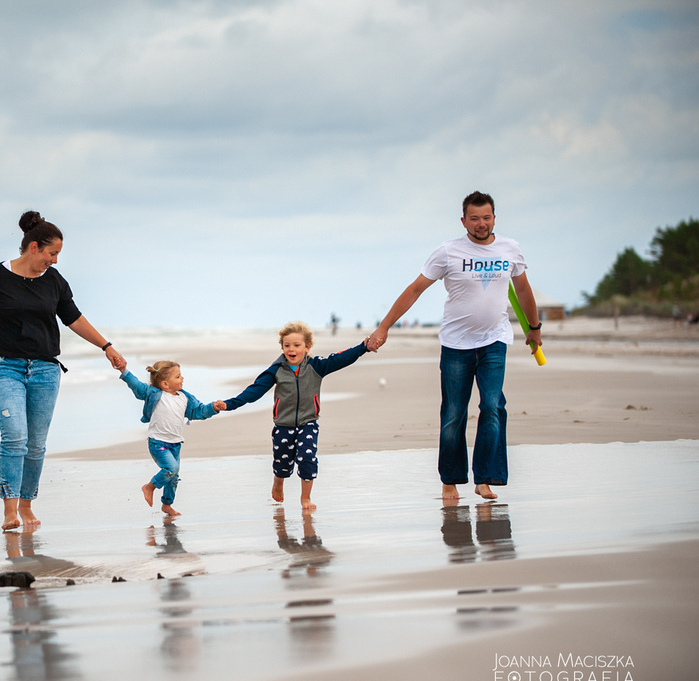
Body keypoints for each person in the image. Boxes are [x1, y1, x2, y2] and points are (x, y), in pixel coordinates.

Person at [0, 211, 127, 531]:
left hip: (44, 370)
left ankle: (27, 505)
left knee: (36, 444)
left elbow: (74, 318)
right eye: (52, 254)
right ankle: (9, 510)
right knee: (15, 437)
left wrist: (106, 347)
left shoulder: (54, 281)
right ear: (34, 247)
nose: (54, 261)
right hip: (1, 368)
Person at [367, 191, 542, 503]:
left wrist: (534, 328)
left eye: (486, 217)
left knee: (491, 406)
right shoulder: (448, 252)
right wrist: (385, 326)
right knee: (453, 414)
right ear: (464, 221)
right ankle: (450, 480)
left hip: (494, 340)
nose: (480, 223)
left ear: (494, 218)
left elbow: (524, 289)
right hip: (456, 344)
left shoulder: (510, 249)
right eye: (474, 218)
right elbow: (415, 288)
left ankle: (485, 478)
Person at [213, 321, 372, 513]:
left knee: (307, 457)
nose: (291, 349)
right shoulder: (276, 370)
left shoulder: (316, 366)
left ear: (307, 347)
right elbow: (254, 391)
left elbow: (342, 358)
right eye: (287, 345)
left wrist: (364, 347)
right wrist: (230, 404)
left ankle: (305, 497)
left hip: (308, 423)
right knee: (282, 462)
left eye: (297, 345)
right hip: (283, 425)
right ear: (282, 347)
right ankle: (278, 481)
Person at [121, 360, 222, 516]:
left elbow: (198, 411)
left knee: (173, 478)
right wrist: (124, 371)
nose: (182, 379)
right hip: (158, 442)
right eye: (178, 376)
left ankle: (167, 505)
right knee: (171, 469)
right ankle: (149, 487)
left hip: (175, 444)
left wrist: (213, 408)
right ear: (165, 384)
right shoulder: (155, 394)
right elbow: (137, 386)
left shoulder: (184, 398)